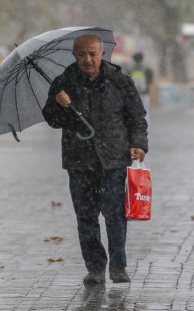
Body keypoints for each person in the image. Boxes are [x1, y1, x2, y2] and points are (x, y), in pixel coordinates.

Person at [42, 34, 148, 286]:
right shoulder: (63, 83)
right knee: (86, 216)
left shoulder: (120, 82)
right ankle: (96, 268)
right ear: (74, 56)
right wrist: (59, 105)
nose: (87, 59)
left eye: (92, 54)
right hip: (79, 161)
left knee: (114, 215)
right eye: (82, 55)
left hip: (113, 159)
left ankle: (118, 266)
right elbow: (53, 119)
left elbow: (137, 117)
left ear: (102, 54)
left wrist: (139, 144)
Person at [125, 52, 154, 124]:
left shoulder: (130, 68)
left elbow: (126, 79)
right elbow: (150, 78)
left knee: (133, 110)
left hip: (133, 93)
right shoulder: (146, 68)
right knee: (145, 110)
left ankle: (135, 126)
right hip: (144, 92)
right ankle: (146, 126)